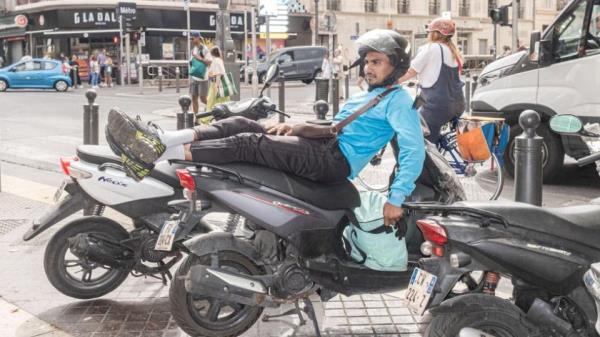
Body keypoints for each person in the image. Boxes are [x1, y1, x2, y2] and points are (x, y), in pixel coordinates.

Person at [106, 29, 425, 225]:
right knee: (244, 122)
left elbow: (413, 151)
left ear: (395, 65)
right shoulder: (371, 93)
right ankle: (163, 139)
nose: (368, 68)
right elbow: (337, 126)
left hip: (333, 162)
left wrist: (396, 199)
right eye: (367, 61)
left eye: (377, 62)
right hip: (322, 147)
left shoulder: (399, 101)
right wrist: (295, 127)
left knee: (249, 142)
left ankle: (156, 153)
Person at [397, 17, 465, 143]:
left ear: (435, 33)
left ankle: (430, 162)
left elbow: (411, 71)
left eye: (429, 32)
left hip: (438, 105)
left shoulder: (431, 48)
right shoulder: (454, 52)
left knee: (418, 139)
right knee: (430, 134)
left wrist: (391, 82)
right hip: (458, 104)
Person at [189, 32, 213, 114]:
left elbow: (209, 61)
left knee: (203, 99)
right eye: (191, 39)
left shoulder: (204, 49)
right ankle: (196, 118)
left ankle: (214, 108)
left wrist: (199, 58)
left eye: (193, 38)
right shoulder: (193, 49)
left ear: (198, 38)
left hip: (203, 78)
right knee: (194, 98)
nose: (191, 40)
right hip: (194, 77)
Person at [205, 46, 230, 117]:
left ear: (212, 54)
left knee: (211, 102)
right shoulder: (219, 60)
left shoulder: (215, 61)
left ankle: (207, 119)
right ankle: (224, 117)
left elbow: (218, 74)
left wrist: (216, 87)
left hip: (216, 84)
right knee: (223, 102)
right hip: (222, 84)